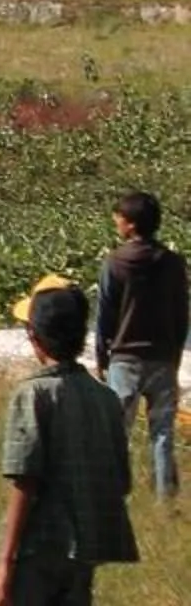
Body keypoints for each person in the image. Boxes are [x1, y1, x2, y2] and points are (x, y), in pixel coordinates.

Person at [0, 275, 139, 606]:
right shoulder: (105, 398)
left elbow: (25, 481)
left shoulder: (31, 394)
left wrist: (4, 561)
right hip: (83, 552)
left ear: (34, 336)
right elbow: (121, 479)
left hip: (38, 550)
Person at [97, 190, 187, 502]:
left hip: (125, 357)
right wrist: (173, 356)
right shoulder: (173, 263)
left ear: (131, 225)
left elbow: (105, 316)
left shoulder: (115, 262)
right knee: (162, 434)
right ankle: (166, 501)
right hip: (162, 357)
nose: (116, 222)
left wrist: (102, 357)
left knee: (117, 433)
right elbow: (181, 313)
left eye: (119, 218)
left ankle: (114, 496)